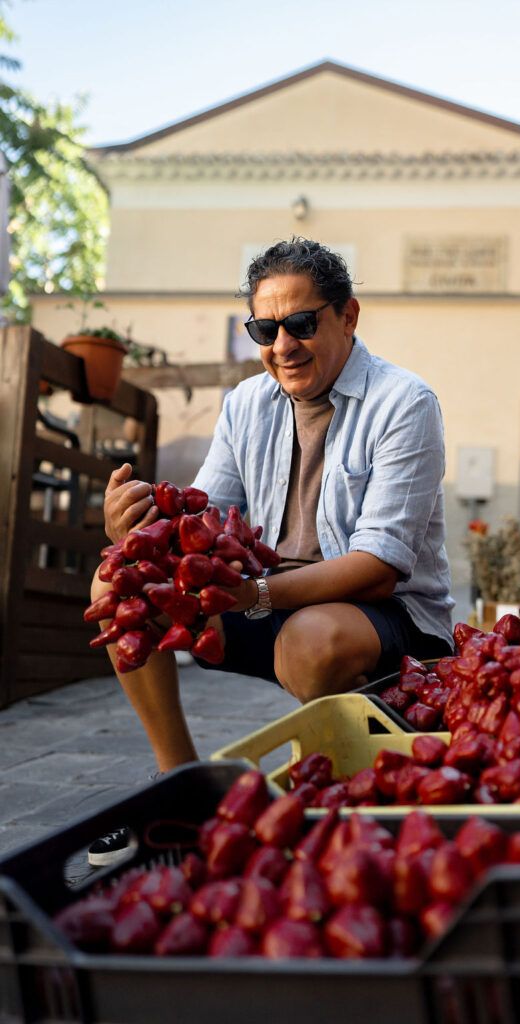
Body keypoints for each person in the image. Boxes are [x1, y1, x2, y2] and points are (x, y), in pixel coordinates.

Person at [88, 238, 453, 862]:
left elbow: (379, 569)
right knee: (114, 586)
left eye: (302, 323)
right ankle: (183, 786)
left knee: (310, 644)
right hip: (268, 601)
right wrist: (130, 532)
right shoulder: (246, 403)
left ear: (349, 316)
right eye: (266, 327)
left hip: (389, 619)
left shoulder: (405, 402)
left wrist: (255, 593)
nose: (282, 345)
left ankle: (345, 793)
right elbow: (198, 523)